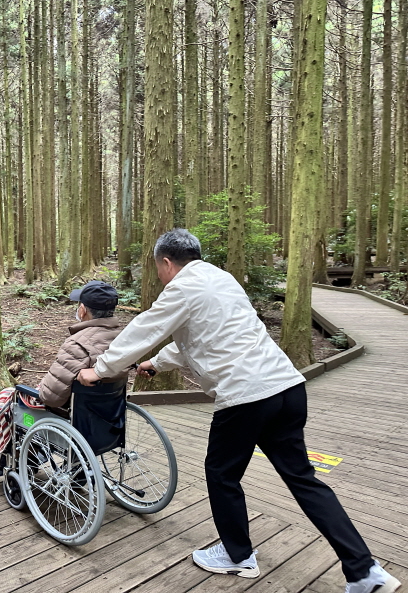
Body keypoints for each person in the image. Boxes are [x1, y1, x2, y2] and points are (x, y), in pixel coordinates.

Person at [76, 229, 400, 593]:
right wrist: (157, 363)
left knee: (221, 474)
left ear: (166, 262)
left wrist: (100, 369)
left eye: (158, 268)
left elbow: (145, 327)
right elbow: (203, 337)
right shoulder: (221, 279)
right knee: (303, 479)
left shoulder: (182, 287)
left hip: (247, 397)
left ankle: (237, 556)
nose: (160, 275)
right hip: (287, 388)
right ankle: (365, 570)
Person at [0, 280, 125, 475]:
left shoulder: (78, 344)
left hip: (72, 415)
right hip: (107, 416)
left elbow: (50, 397)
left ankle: (4, 456)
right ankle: (34, 452)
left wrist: (41, 386)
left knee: (8, 396)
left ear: (83, 309)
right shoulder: (123, 338)